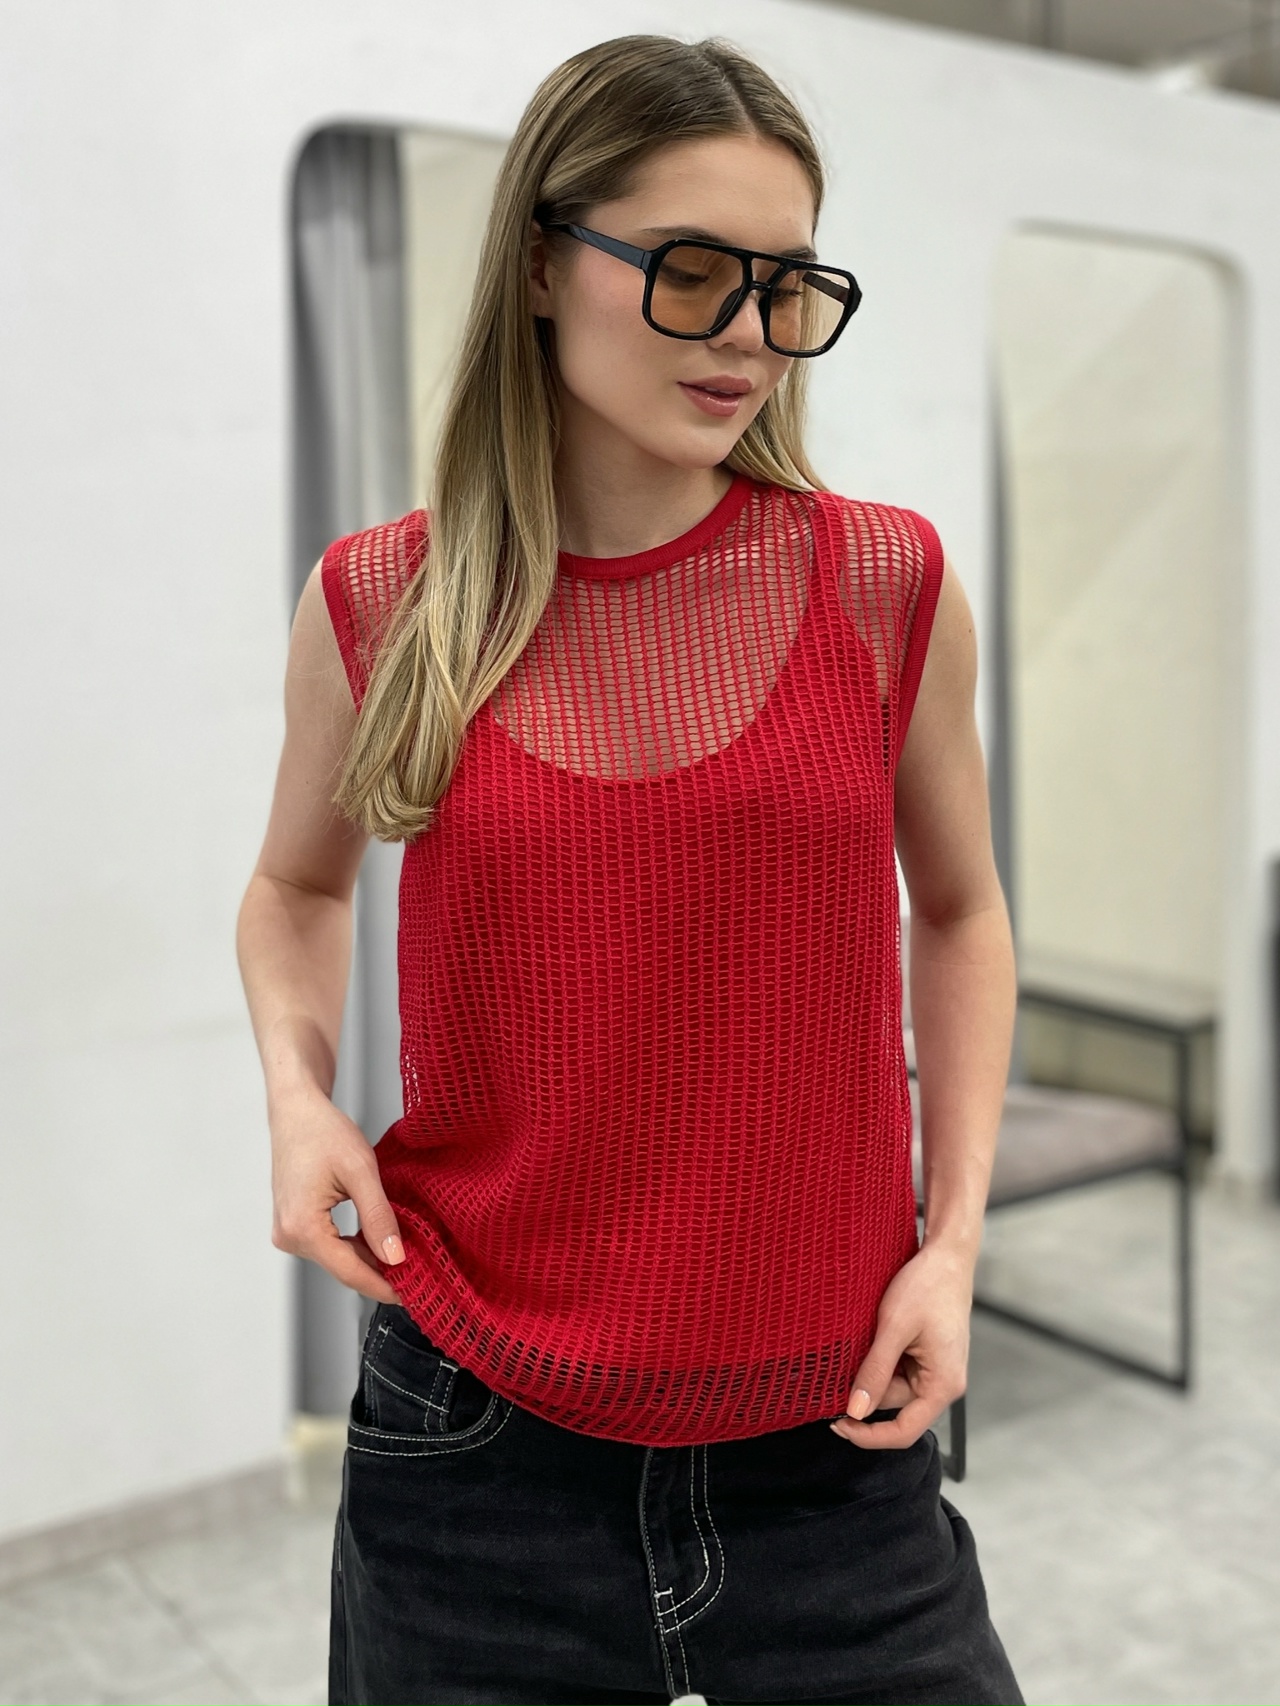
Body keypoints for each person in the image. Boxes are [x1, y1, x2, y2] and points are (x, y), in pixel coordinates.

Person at [236, 32, 1023, 1706]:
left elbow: (960, 911)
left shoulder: (884, 585)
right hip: (475, 1448)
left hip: (835, 1440)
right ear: (541, 262)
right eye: (691, 270)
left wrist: (953, 1241)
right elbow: (296, 887)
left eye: (788, 285)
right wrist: (300, 1098)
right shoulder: (385, 603)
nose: (748, 334)